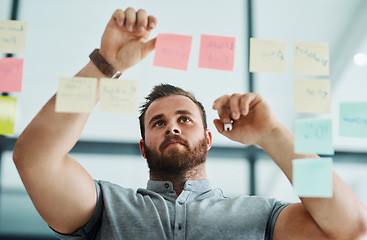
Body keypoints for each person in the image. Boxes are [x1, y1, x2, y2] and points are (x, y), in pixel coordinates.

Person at [13, 7, 367, 240]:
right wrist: (105, 63)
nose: (173, 128)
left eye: (184, 119)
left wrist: (274, 135)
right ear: (142, 146)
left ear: (209, 139)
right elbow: (34, 158)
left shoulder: (261, 216)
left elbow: (351, 226)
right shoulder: (107, 208)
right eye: (158, 122)